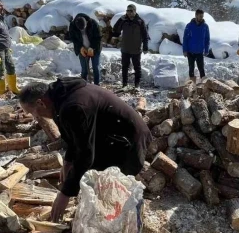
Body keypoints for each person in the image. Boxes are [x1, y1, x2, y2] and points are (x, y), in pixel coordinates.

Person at [19, 79, 152, 222]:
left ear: (40, 103)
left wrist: (65, 193)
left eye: (32, 112)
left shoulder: (73, 106)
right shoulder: (59, 97)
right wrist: (68, 161)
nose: (35, 117)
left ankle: (125, 218)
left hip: (129, 143)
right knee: (86, 175)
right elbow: (74, 137)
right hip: (111, 135)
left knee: (104, 183)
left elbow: (86, 155)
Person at [113, 4, 149, 89]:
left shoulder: (140, 21)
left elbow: (145, 35)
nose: (129, 13)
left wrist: (145, 47)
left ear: (135, 11)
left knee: (137, 67)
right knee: (124, 67)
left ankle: (137, 85)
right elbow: (116, 31)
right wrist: (120, 20)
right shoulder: (124, 20)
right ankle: (124, 84)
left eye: (131, 11)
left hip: (136, 49)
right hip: (125, 48)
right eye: (127, 11)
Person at [68, 13, 102, 85]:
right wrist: (80, 47)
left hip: (95, 48)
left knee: (95, 67)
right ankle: (83, 85)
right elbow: (73, 38)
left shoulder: (93, 23)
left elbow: (98, 37)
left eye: (84, 28)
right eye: (80, 29)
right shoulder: (72, 25)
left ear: (86, 22)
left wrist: (92, 48)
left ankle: (97, 85)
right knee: (84, 69)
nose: (82, 30)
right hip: (82, 49)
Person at [182, 9, 210, 83]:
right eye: (200, 16)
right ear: (196, 15)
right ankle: (191, 85)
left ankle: (204, 84)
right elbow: (185, 38)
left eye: (202, 16)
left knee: (201, 68)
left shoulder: (205, 26)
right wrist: (185, 50)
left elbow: (207, 39)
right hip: (190, 51)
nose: (201, 18)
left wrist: (206, 49)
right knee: (191, 68)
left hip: (200, 51)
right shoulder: (189, 26)